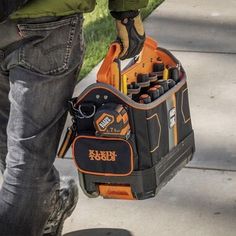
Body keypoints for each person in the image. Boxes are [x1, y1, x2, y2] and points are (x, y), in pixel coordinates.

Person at [0, 0, 148, 235]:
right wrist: (127, 11)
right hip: (49, 23)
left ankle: (47, 206)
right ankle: (41, 207)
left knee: (9, 146)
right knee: (27, 161)